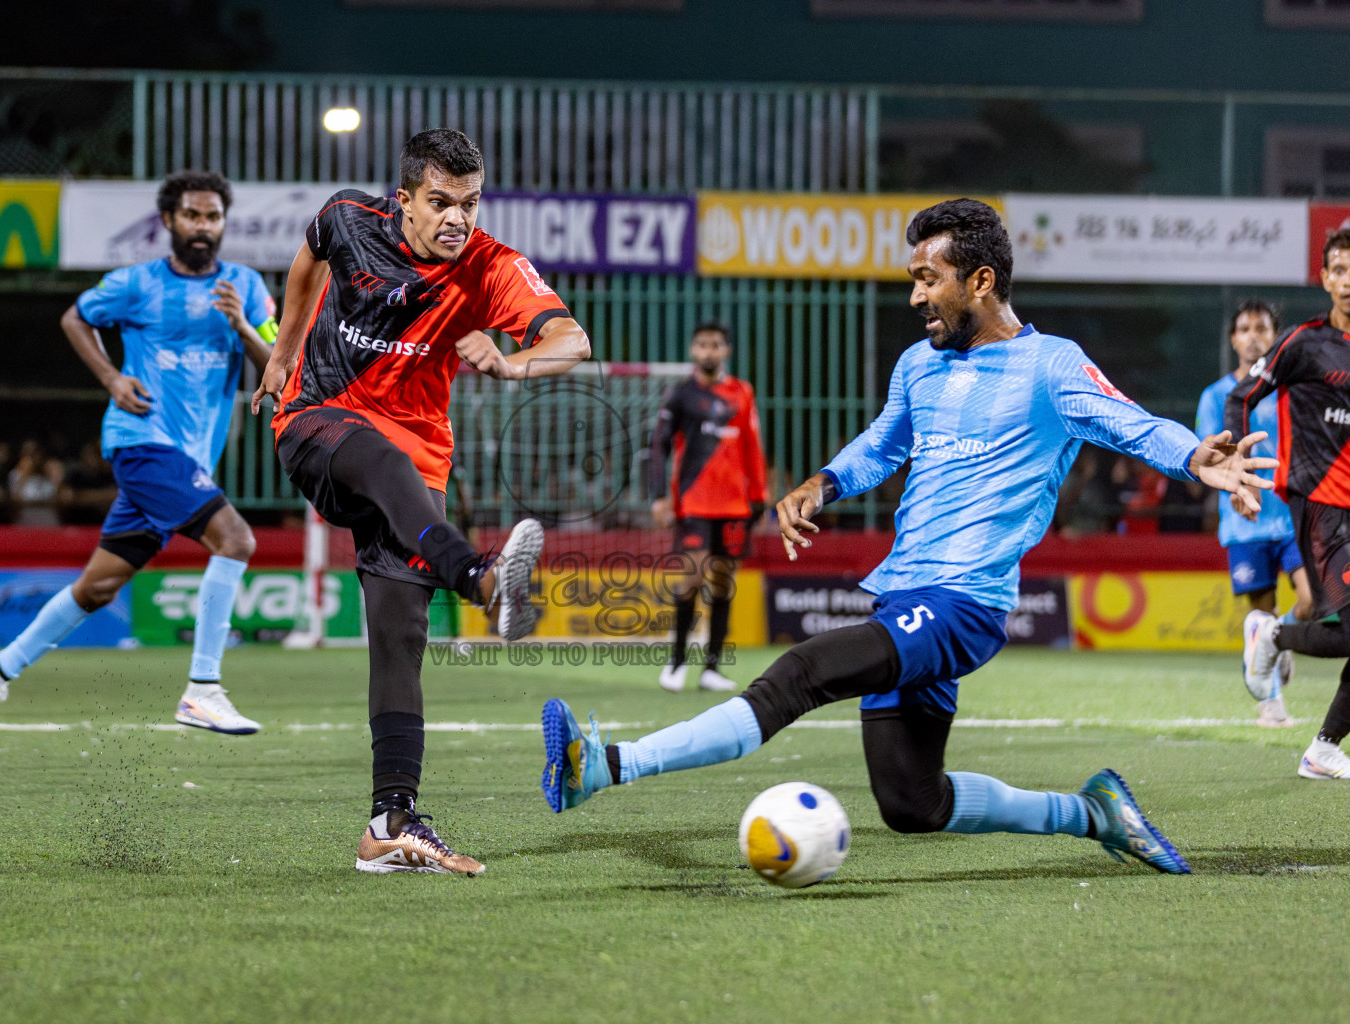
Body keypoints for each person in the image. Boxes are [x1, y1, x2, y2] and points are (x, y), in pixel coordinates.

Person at [540, 199, 1275, 875]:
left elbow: (1131, 424)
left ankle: (604, 765)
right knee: (912, 802)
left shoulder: (1050, 366)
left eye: (930, 279)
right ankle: (1093, 813)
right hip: (904, 597)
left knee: (800, 672)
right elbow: (883, 444)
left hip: (964, 604)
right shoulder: (919, 365)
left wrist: (1194, 456)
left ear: (980, 281)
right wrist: (822, 483)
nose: (916, 296)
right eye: (913, 279)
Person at [252, 128, 591, 876]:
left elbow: (573, 341)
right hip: (318, 421)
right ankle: (477, 578)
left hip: (418, 461)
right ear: (403, 199)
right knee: (380, 458)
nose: (457, 219)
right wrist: (282, 352)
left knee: (400, 630)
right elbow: (308, 257)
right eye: (440, 202)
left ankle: (390, 823)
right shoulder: (349, 218)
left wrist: (511, 364)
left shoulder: (491, 265)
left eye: (470, 203)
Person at [0, 169, 278, 746]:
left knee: (98, 586)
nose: (203, 226)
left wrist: (240, 326)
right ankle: (203, 688)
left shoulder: (246, 286)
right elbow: (75, 317)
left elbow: (275, 367)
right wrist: (111, 378)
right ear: (169, 221)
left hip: (188, 461)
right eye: (192, 215)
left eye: (212, 216)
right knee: (235, 540)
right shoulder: (136, 283)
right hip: (142, 441)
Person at [1237, 228, 1350, 779]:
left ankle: (1323, 750)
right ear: (1325, 278)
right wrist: (1238, 470)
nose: (1349, 281)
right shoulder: (1304, 343)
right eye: (1340, 270)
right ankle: (1272, 635)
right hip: (1321, 504)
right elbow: (1243, 396)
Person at [1196, 300, 1312, 727]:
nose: (1252, 337)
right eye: (1244, 329)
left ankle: (1276, 641)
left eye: (1262, 328)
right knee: (1261, 611)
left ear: (1275, 337)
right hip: (1246, 523)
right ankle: (1271, 704)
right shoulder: (1216, 396)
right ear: (1233, 339)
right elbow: (1210, 461)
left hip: (1295, 517)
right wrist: (1237, 493)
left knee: (1312, 602)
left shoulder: (1292, 391)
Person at [647, 322, 768, 692]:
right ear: (692, 350)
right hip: (694, 503)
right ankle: (677, 660)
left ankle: (711, 668)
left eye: (715, 345)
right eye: (702, 344)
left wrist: (760, 496)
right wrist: (658, 495)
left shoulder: (742, 392)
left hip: (735, 506)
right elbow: (659, 445)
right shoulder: (681, 394)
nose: (708, 351)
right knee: (692, 578)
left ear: (726, 350)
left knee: (723, 584)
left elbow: (752, 445)